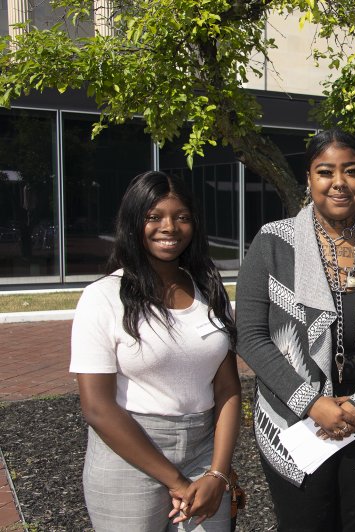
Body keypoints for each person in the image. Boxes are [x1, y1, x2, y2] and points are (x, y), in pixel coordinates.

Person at [235, 128, 355, 531]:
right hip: (296, 419)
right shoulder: (273, 243)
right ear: (308, 178)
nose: (338, 183)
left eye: (351, 171)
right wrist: (312, 402)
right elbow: (250, 335)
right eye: (325, 171)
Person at [70, 171, 241, 531]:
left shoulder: (210, 292)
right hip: (128, 456)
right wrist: (176, 482)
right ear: (134, 222)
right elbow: (97, 408)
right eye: (154, 217)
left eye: (181, 217)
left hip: (203, 453)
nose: (170, 227)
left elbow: (227, 389)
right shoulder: (102, 297)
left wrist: (218, 473)